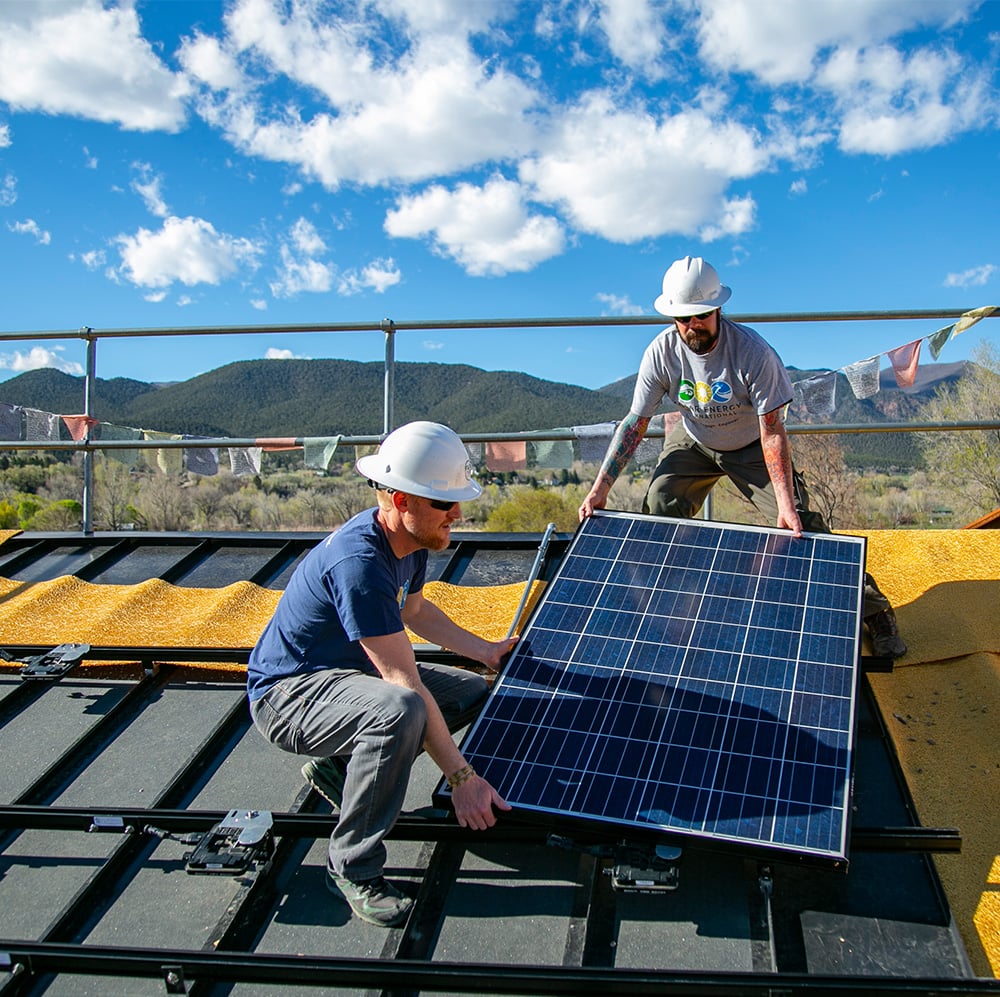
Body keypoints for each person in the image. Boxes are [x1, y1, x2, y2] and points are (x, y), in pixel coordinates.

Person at [248, 421, 516, 928]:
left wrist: (489, 653)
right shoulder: (360, 563)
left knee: (471, 692)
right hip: (289, 696)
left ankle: (341, 770)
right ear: (399, 499)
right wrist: (461, 778)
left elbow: (416, 613)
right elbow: (404, 683)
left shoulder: (410, 542)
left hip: (345, 679)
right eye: (443, 503)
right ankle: (351, 866)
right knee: (403, 710)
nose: (456, 514)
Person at [579, 255, 906, 659]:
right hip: (693, 440)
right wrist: (600, 488)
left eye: (700, 315)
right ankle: (669, 610)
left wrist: (785, 505)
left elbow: (772, 431)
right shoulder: (661, 353)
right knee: (659, 507)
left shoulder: (753, 353)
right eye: (683, 318)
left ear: (718, 310)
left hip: (751, 443)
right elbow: (635, 423)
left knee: (801, 526)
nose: (692, 326)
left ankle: (875, 610)